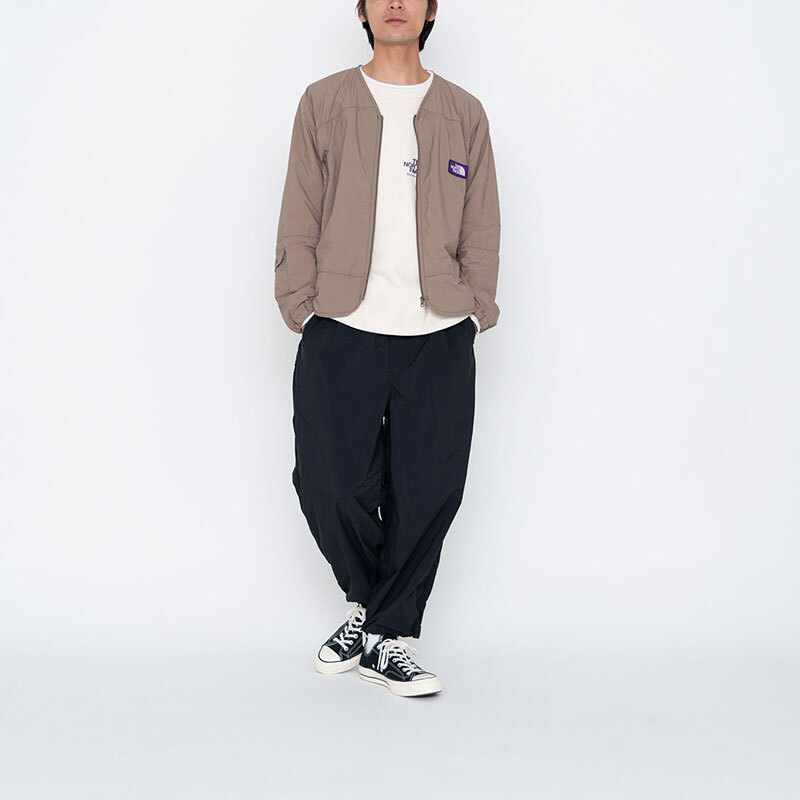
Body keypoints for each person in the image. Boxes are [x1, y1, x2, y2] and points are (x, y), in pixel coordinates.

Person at [273, 0, 501, 697]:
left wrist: (474, 308)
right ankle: (377, 610)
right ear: (363, 9)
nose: (395, 3)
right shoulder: (324, 103)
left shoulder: (464, 112)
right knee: (329, 484)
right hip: (343, 326)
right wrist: (300, 303)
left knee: (430, 491)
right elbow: (299, 211)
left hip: (437, 333)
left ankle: (384, 636)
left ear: (431, 10)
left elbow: (483, 224)